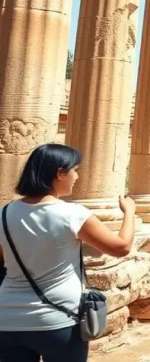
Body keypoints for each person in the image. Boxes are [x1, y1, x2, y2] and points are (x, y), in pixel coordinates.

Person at [0, 144, 137, 362]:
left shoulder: (4, 213)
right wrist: (129, 212)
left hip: (7, 319)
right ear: (60, 173)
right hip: (59, 320)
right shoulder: (72, 214)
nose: (77, 176)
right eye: (75, 170)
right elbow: (121, 247)